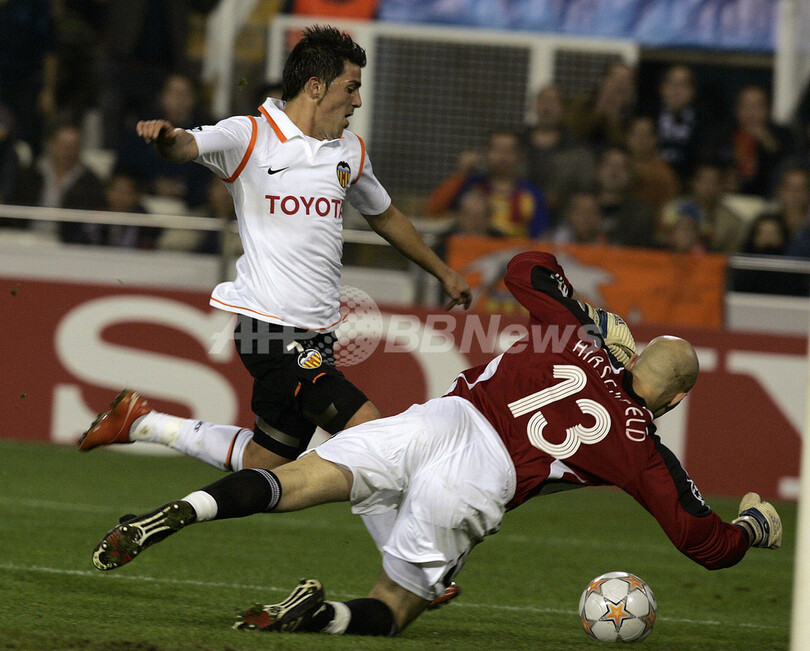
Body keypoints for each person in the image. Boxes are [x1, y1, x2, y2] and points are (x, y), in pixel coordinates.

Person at [88, 250, 782, 637]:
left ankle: (184, 508)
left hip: (438, 421)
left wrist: (591, 316)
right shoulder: (641, 445)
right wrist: (752, 524)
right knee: (395, 608)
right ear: (677, 399)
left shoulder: (575, 336)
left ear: (634, 354)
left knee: (292, 479)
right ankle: (317, 616)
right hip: (483, 480)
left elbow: (526, 268)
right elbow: (702, 541)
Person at [426, 130, 551, 238]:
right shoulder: (472, 185)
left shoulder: (531, 193)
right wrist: (461, 172)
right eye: (497, 150)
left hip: (514, 255)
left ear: (519, 155)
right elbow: (434, 211)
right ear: (486, 153)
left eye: (509, 151)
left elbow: (540, 237)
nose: (503, 157)